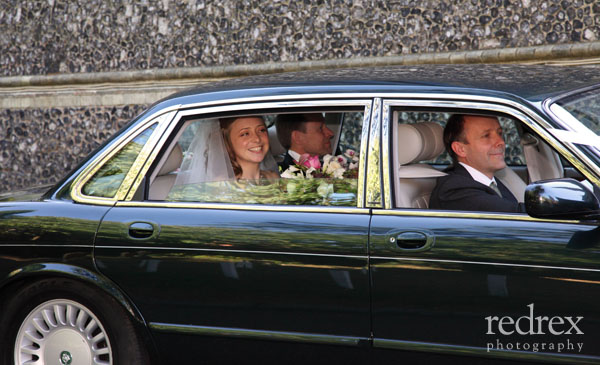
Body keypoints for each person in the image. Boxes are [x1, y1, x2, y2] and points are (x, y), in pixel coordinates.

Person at [429, 114, 525, 213]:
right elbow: (516, 214)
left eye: (500, 133)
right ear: (460, 149)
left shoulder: (491, 181)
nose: (501, 142)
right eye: (486, 136)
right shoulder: (454, 190)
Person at [220, 116, 279, 180]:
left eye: (261, 130)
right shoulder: (221, 185)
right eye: (245, 134)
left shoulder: (273, 178)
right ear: (227, 141)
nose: (257, 139)